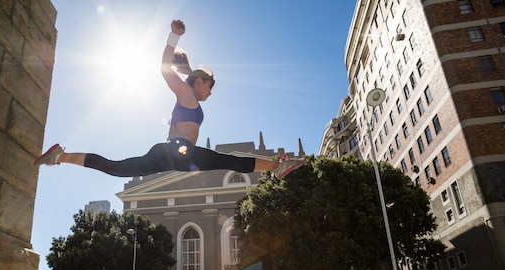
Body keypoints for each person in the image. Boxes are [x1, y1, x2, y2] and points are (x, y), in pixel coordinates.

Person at [34, 20, 305, 179]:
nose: (210, 92)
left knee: (116, 168)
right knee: (228, 160)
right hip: (177, 151)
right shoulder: (186, 93)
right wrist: (173, 36)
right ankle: (277, 166)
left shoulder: (189, 97)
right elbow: (164, 67)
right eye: (210, 87)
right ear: (198, 81)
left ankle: (60, 156)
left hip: (169, 156)